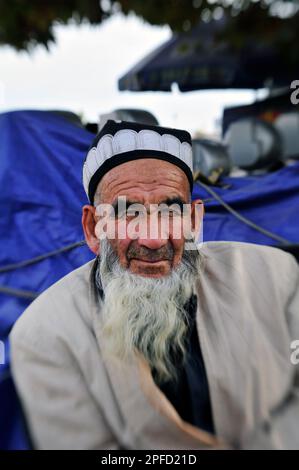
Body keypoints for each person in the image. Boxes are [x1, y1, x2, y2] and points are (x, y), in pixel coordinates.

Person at [10, 120, 299, 450]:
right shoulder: (46, 334)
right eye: (127, 213)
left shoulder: (273, 277)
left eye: (170, 211)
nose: (151, 239)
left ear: (194, 221)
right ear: (93, 228)